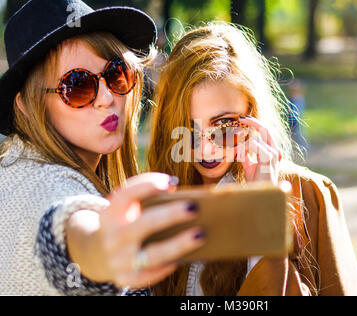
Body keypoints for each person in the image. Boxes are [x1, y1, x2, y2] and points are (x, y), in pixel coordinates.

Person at [0, 0, 205, 295]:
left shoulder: (13, 170)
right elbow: (67, 226)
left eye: (115, 73)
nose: (107, 98)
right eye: (78, 86)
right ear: (28, 106)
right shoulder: (45, 187)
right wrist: (103, 250)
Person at [147, 23, 357, 296]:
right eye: (188, 128)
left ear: (252, 115)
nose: (205, 148)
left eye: (224, 124)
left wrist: (264, 210)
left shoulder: (311, 196)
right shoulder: (153, 201)